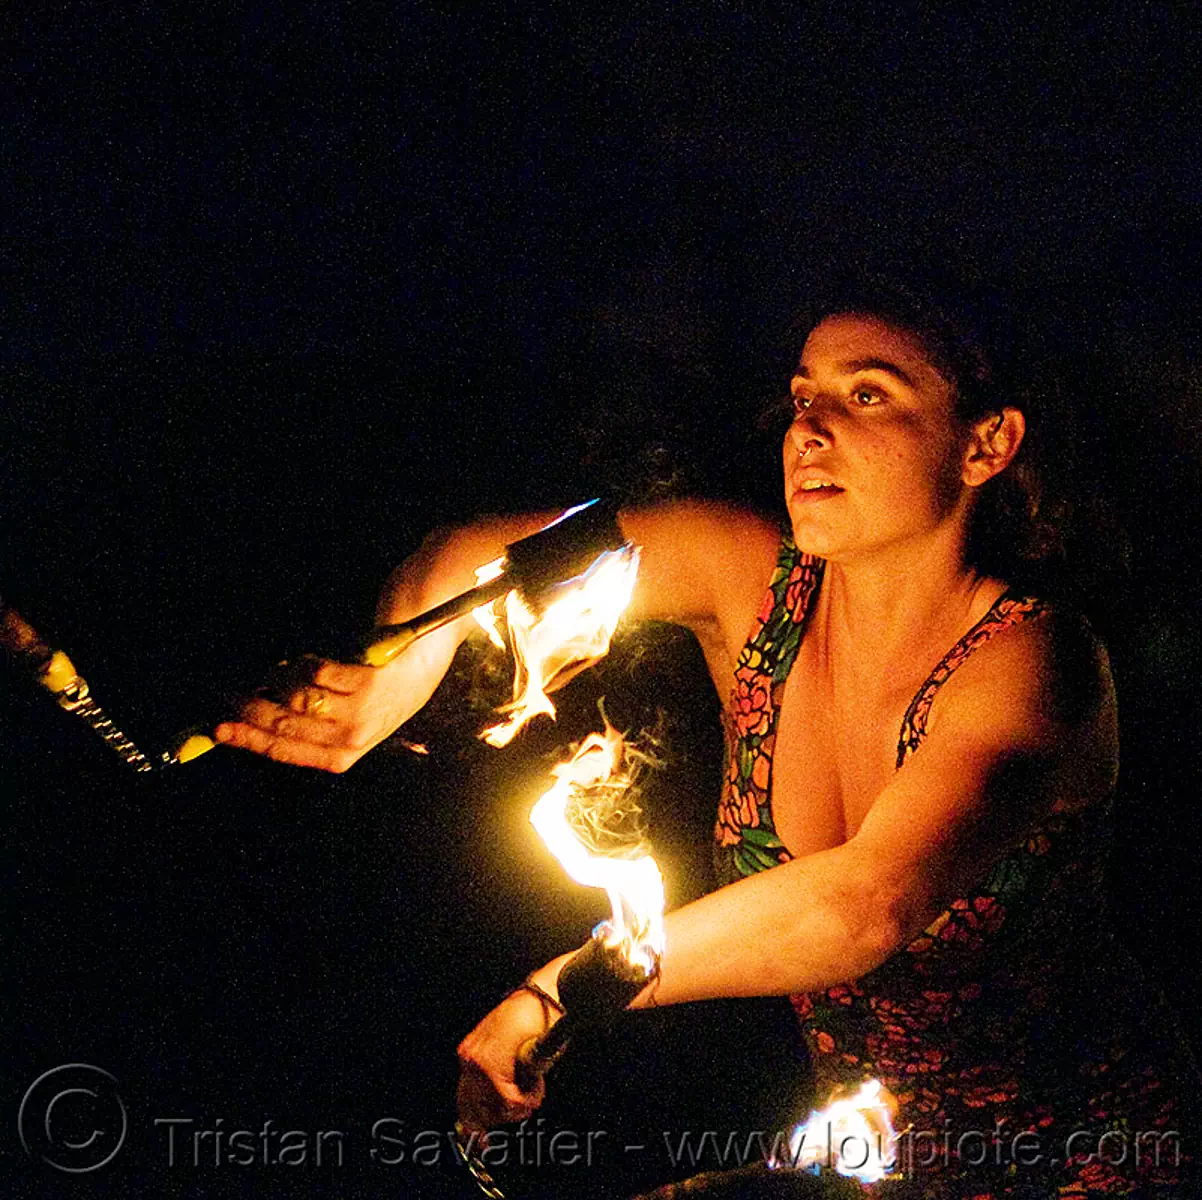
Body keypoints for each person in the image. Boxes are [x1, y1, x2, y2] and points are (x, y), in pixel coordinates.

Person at [215, 275, 1199, 1195]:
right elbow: (477, 555)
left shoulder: (1034, 662)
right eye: (801, 393)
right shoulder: (746, 579)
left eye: (866, 396)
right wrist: (384, 689)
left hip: (1085, 1158)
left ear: (983, 446)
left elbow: (865, 905)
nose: (807, 429)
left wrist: (565, 989)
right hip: (871, 1157)